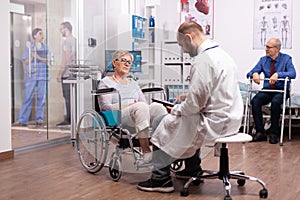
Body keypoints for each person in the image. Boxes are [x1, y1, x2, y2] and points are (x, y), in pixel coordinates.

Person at [137, 21, 243, 193]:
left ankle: (160, 179)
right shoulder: (223, 55)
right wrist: (189, 96)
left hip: (215, 123)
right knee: (185, 121)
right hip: (232, 120)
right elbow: (219, 90)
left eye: (182, 45)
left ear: (188, 37)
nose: (184, 51)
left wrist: (176, 109)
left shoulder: (202, 61)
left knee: (160, 121)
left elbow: (194, 106)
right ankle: (192, 170)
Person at [97, 50, 168, 164]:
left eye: (129, 62)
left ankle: (162, 149)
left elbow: (144, 104)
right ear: (114, 63)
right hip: (119, 115)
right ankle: (146, 151)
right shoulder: (105, 83)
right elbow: (106, 107)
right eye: (123, 60)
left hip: (138, 112)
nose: (127, 64)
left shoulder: (133, 83)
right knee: (140, 107)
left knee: (157, 107)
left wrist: (137, 106)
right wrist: (130, 105)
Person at [246, 38, 296, 144]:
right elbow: (250, 72)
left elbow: (293, 73)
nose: (266, 49)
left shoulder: (286, 59)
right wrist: (254, 73)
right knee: (255, 101)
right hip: (268, 89)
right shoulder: (263, 60)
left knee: (275, 103)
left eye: (269, 47)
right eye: (266, 46)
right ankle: (260, 132)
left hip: (281, 90)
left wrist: (279, 74)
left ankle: (274, 133)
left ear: (277, 48)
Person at [12, 28, 51, 128]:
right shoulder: (29, 47)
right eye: (40, 33)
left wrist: (38, 57)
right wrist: (33, 57)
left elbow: (49, 60)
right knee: (28, 97)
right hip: (32, 75)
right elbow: (25, 61)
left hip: (43, 76)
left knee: (41, 98)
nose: (42, 35)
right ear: (35, 36)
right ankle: (22, 120)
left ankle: (39, 119)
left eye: (42, 33)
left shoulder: (46, 47)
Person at [56, 21, 76, 126]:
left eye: (61, 29)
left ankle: (69, 119)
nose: (61, 31)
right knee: (72, 97)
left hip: (67, 74)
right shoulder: (75, 40)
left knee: (67, 97)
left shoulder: (67, 41)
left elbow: (66, 57)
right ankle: (72, 118)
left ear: (66, 29)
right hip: (73, 73)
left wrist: (60, 73)